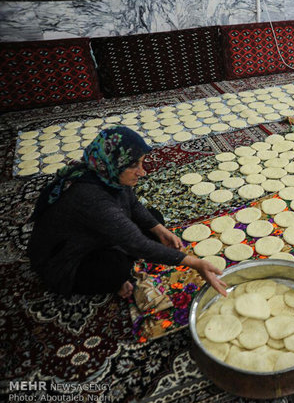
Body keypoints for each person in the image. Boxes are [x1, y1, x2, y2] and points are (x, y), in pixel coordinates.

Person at [27, 126, 227, 299]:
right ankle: (116, 271)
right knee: (115, 268)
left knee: (154, 218)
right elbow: (138, 244)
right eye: (134, 166)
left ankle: (126, 248)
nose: (142, 172)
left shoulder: (108, 173)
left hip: (98, 231)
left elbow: (132, 204)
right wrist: (196, 263)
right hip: (68, 259)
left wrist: (159, 230)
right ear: (114, 163)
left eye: (141, 163)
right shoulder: (89, 196)